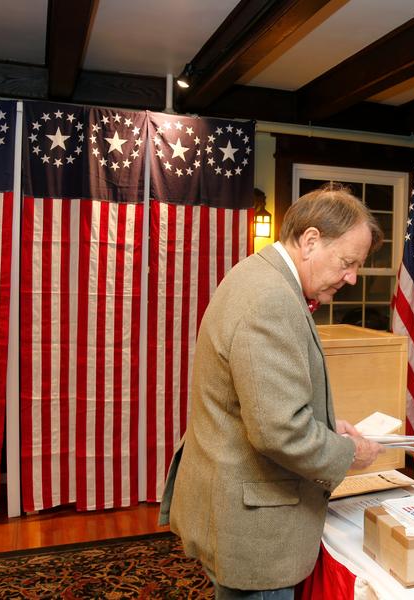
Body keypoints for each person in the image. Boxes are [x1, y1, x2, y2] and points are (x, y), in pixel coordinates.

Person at [160, 183, 385, 599]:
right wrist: (350, 452)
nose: (352, 277)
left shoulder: (258, 273)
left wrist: (325, 423)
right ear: (311, 240)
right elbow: (278, 430)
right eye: (347, 262)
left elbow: (260, 399)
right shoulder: (271, 299)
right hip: (255, 530)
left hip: (233, 501)